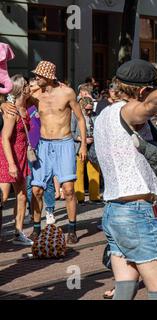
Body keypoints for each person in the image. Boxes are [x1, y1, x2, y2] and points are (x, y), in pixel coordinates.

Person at [95, 59, 157, 300]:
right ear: (142, 91)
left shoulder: (102, 115)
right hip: (138, 212)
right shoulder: (127, 110)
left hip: (114, 212)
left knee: (125, 289)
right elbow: (147, 107)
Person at [1, 61, 88, 244]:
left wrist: (84, 146)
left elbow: (80, 119)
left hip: (64, 144)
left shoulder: (67, 93)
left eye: (38, 76)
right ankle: (36, 228)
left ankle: (71, 228)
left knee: (69, 189)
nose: (35, 79)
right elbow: (14, 97)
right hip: (43, 145)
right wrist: (2, 105)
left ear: (48, 77)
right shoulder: (35, 94)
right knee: (37, 189)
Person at [0, 75, 34, 245]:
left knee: (22, 196)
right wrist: (11, 164)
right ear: (21, 88)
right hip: (8, 156)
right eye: (28, 85)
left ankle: (18, 233)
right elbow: (4, 138)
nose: (31, 87)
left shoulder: (24, 107)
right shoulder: (11, 110)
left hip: (21, 155)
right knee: (3, 196)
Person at [25, 78, 57, 225]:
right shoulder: (25, 105)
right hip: (29, 148)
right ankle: (32, 211)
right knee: (30, 182)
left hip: (44, 146)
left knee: (48, 181)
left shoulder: (43, 104)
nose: (30, 88)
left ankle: (50, 210)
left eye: (32, 86)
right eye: (29, 86)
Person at [72, 97, 101, 204]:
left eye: (91, 109)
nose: (89, 112)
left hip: (93, 146)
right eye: (87, 109)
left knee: (94, 170)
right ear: (81, 107)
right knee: (79, 172)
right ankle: (79, 197)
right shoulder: (75, 116)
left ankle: (95, 196)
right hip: (79, 146)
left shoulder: (95, 116)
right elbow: (71, 132)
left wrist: (94, 137)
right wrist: (82, 139)